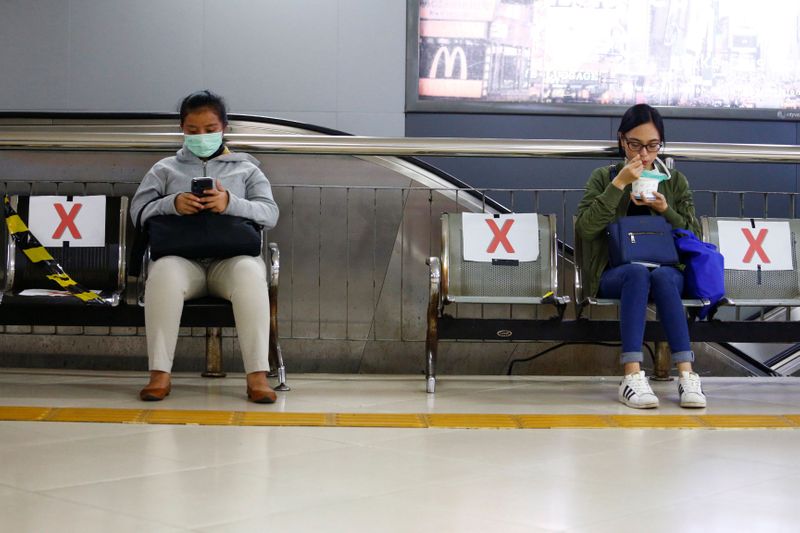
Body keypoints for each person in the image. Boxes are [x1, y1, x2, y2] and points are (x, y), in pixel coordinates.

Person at [130, 90, 280, 403]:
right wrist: (172, 203)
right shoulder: (165, 169)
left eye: (210, 130)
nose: (202, 136)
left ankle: (257, 377)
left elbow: (270, 213)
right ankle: (159, 374)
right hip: (184, 261)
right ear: (182, 130)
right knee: (163, 274)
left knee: (251, 274)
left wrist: (230, 203)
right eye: (193, 131)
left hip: (231, 259)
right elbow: (138, 212)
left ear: (224, 127)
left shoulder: (248, 169)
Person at [575, 103, 706, 409]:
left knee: (660, 275)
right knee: (636, 272)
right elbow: (585, 228)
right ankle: (632, 376)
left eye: (652, 145)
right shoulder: (603, 177)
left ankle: (687, 375)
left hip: (666, 269)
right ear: (622, 140)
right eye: (635, 145)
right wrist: (618, 184)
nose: (644, 155)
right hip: (615, 272)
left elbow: (693, 235)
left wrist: (665, 210)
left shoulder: (674, 181)